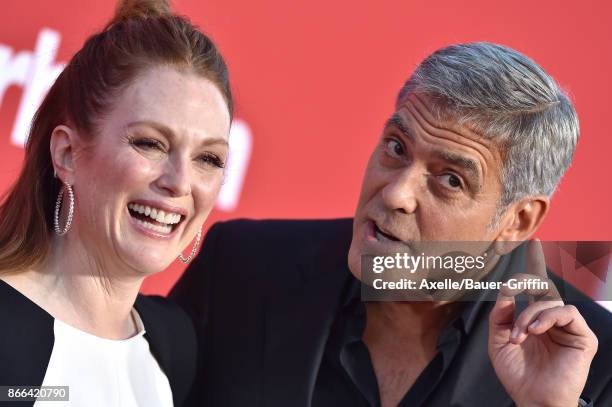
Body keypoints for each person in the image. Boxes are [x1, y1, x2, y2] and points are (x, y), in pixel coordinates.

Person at [171, 42, 612, 406]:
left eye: (450, 180)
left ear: (517, 221)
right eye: (397, 148)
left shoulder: (593, 368)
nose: (397, 194)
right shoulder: (242, 268)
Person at [0, 0, 232, 406]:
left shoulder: (174, 345)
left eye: (208, 159)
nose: (180, 182)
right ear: (67, 153)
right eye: (150, 144)